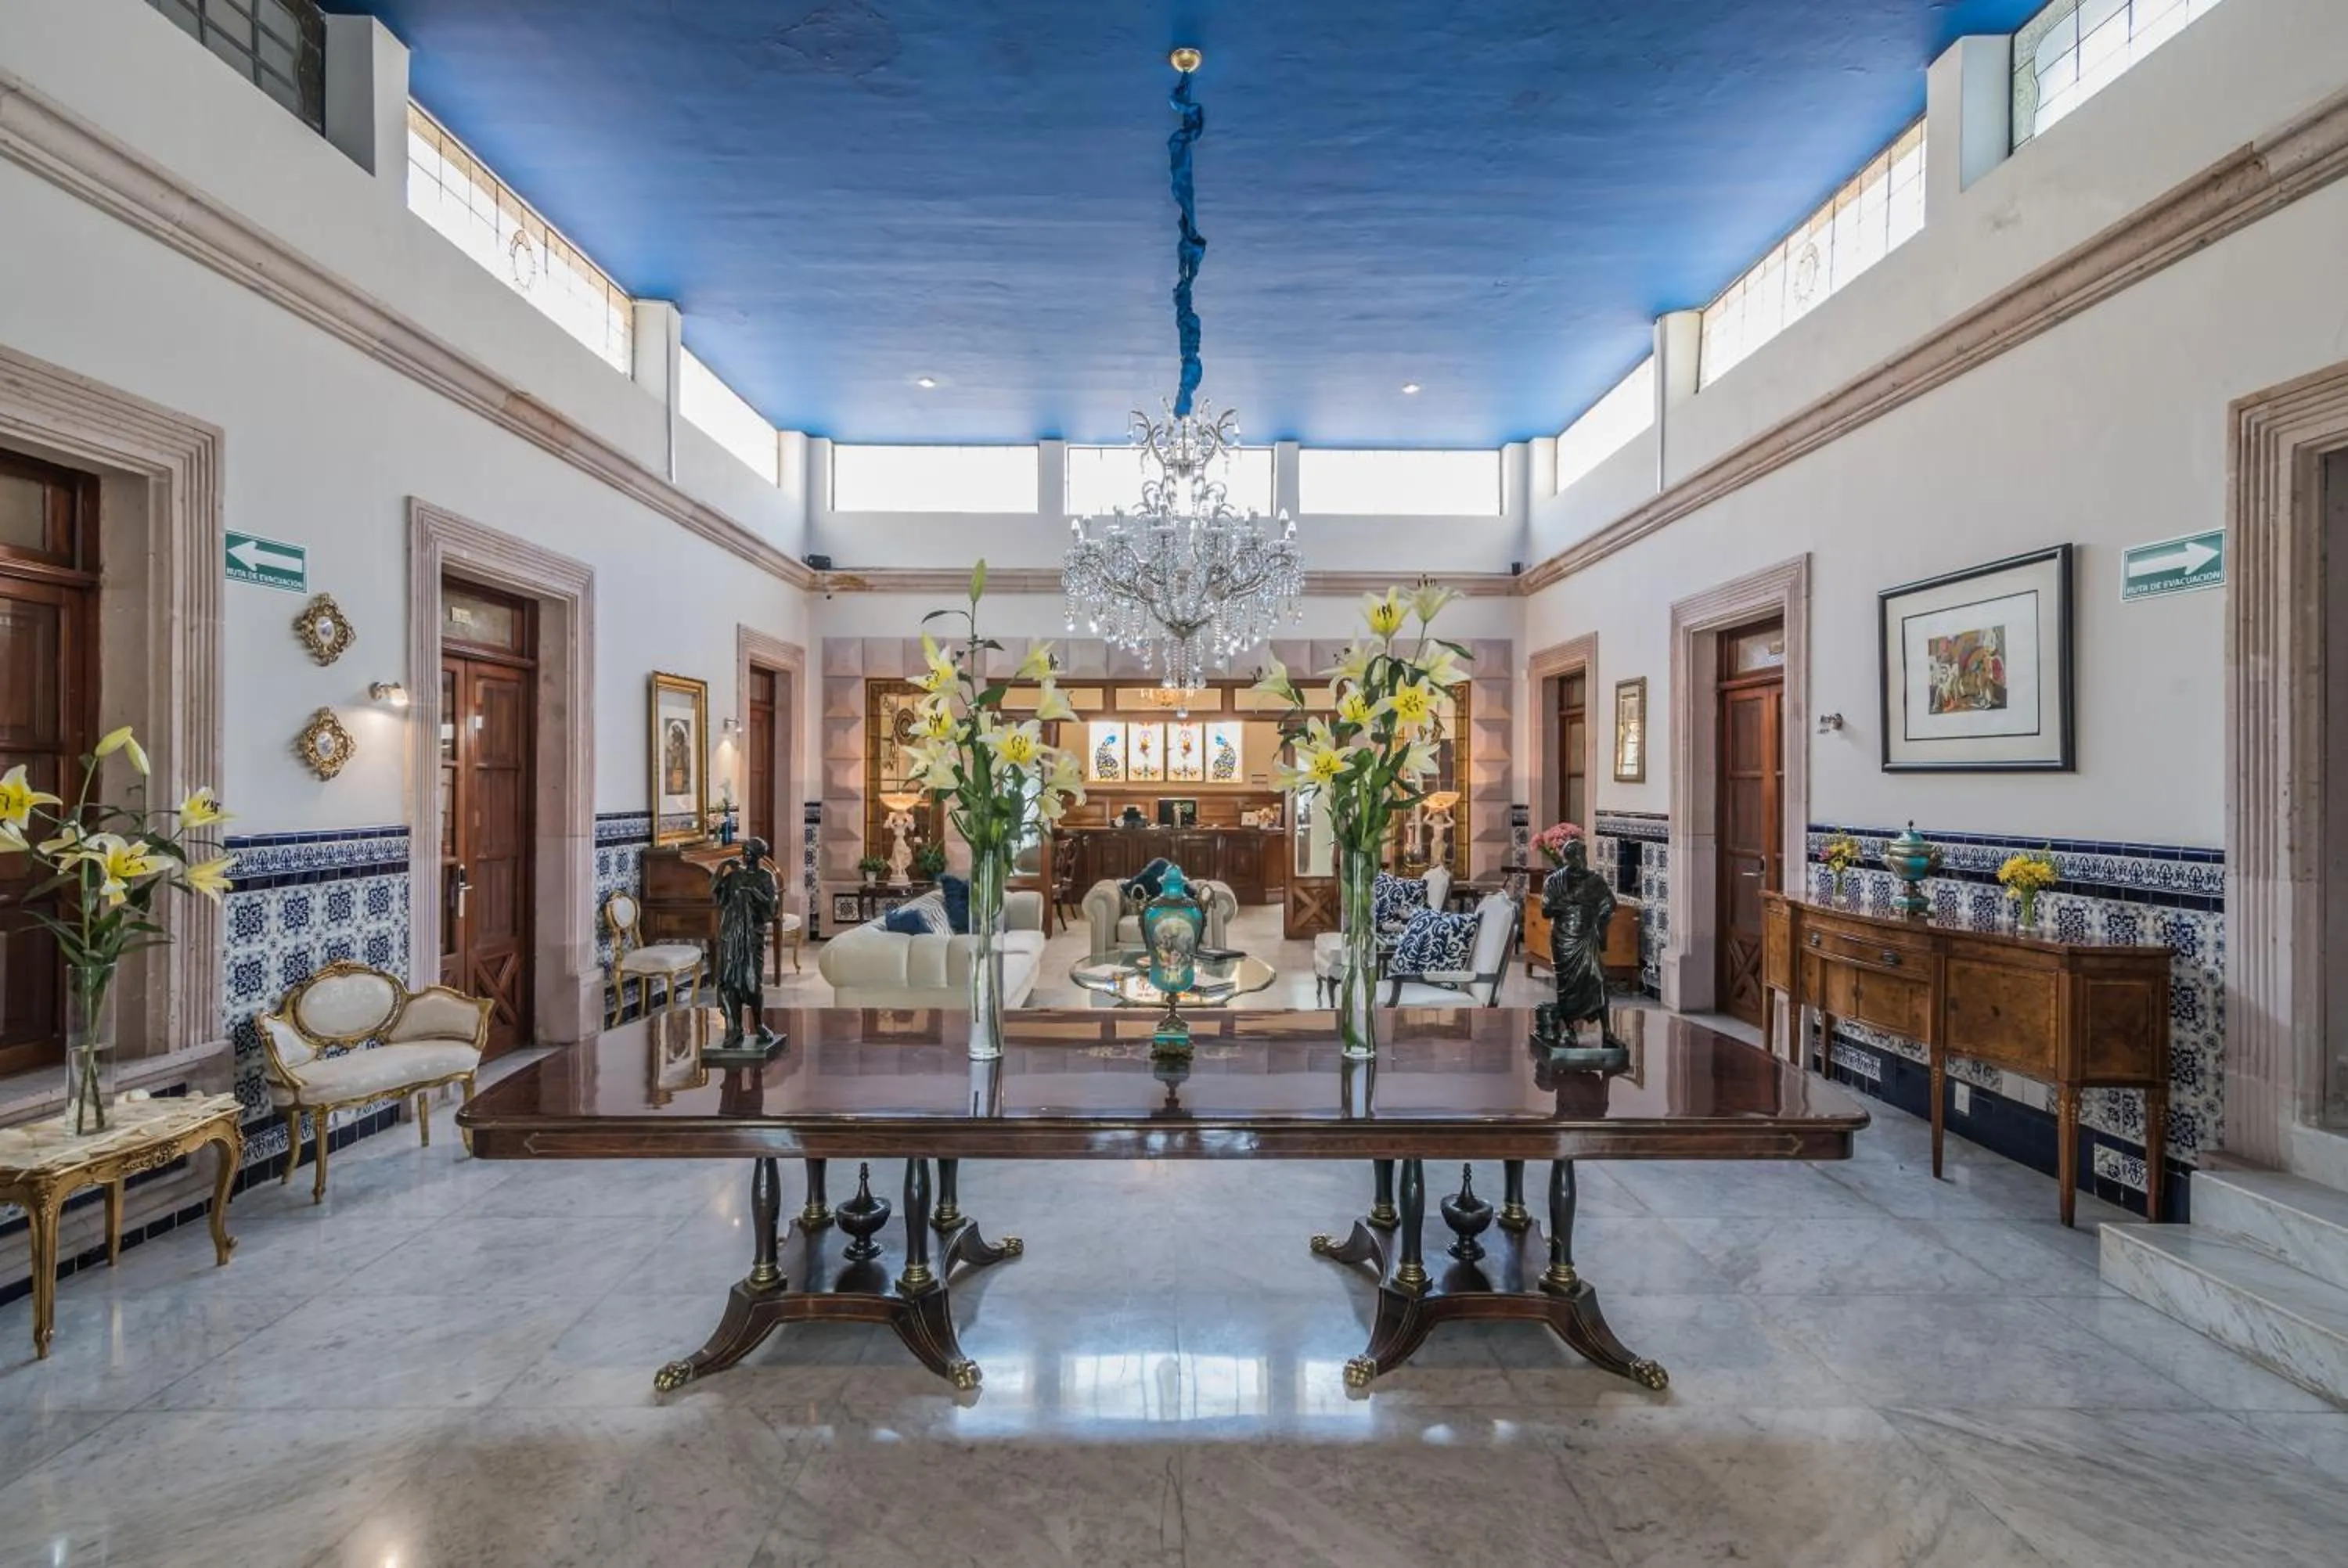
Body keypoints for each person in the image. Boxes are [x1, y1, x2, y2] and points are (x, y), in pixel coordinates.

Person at [1541, 836, 1617, 1042]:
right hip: (1564, 941)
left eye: (1582, 855)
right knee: (1566, 986)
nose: (1581, 859)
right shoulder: (1554, 881)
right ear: (1568, 858)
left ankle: (1608, 1032)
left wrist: (1602, 916)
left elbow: (1609, 903)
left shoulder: (1594, 880)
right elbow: (1546, 910)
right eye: (1576, 856)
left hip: (1587, 937)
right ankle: (1570, 1030)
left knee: (1599, 980)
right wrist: (1570, 900)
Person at [712, 836, 778, 1050]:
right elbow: (716, 896)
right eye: (744, 851)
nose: (746, 855)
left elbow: (771, 907)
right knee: (730, 982)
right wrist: (722, 868)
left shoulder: (766, 877)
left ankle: (758, 1024)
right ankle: (735, 1029)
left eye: (750, 851)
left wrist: (753, 892)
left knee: (752, 983)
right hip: (732, 934)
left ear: (759, 855)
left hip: (752, 936)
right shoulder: (735, 876)